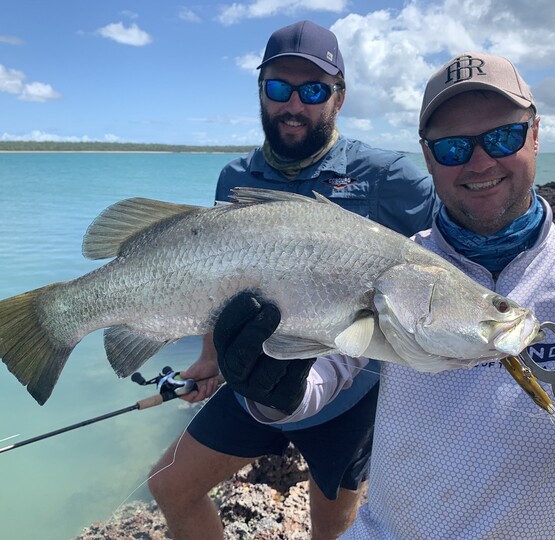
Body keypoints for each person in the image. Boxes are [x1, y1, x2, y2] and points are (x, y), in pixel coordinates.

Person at [205, 51, 555, 539]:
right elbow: (324, 375)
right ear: (429, 157)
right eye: (452, 148)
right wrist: (272, 392)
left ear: (535, 135)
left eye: (503, 136)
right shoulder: (391, 265)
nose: (479, 161)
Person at [147, 20, 438, 539]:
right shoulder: (235, 177)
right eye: (279, 88)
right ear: (261, 92)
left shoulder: (390, 177)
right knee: (170, 487)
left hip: (348, 401)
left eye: (313, 90)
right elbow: (225, 284)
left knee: (332, 532)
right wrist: (212, 359)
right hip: (248, 388)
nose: (294, 105)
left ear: (339, 97)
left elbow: (448, 259)